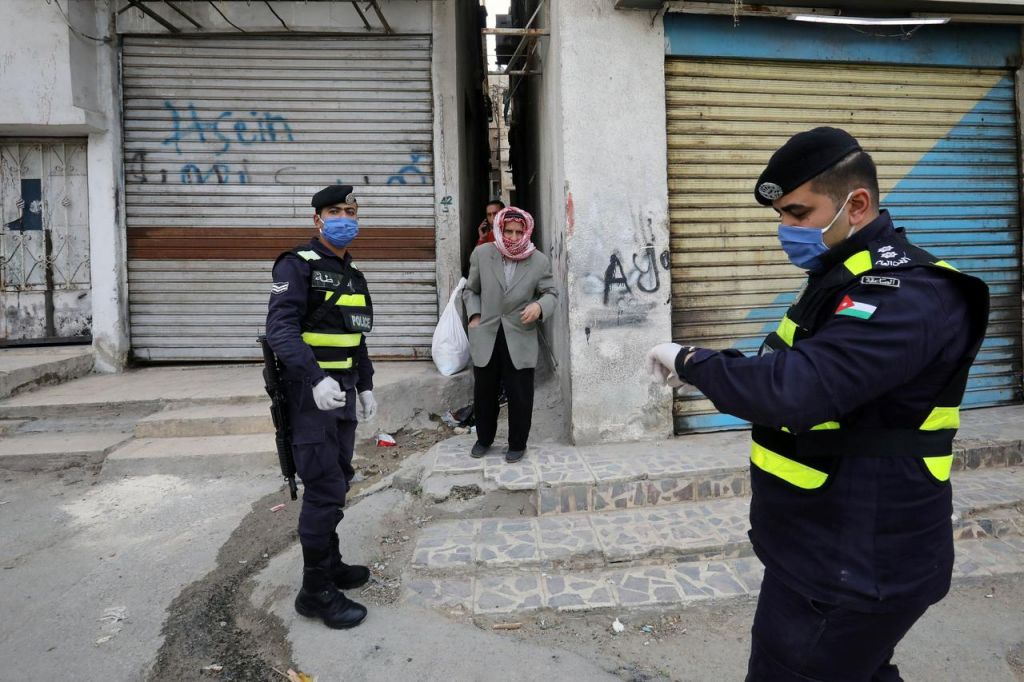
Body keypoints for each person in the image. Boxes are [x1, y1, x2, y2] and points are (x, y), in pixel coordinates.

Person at [646, 127, 989, 681]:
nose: (786, 230)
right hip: (824, 551)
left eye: (799, 213)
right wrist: (718, 368)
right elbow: (795, 366)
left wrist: (693, 363)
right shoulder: (843, 278)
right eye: (781, 215)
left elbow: (796, 390)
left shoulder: (908, 295)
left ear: (855, 204)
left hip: (854, 566)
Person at [265, 184, 379, 630]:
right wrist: (314, 379)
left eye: (350, 210)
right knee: (323, 484)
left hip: (343, 393)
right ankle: (313, 593)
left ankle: (329, 565)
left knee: (339, 478)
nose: (344, 217)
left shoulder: (352, 273)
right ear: (317, 220)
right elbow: (280, 330)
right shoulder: (297, 264)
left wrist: (365, 386)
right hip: (309, 397)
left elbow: (357, 337)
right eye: (335, 211)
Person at [464, 206, 557, 463]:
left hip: (520, 334)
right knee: (485, 391)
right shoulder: (482, 254)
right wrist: (474, 315)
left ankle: (517, 443)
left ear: (526, 231)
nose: (514, 238)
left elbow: (551, 294)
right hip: (486, 332)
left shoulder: (538, 261)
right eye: (508, 231)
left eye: (519, 232)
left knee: (520, 393)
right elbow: (470, 290)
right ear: (500, 229)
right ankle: (484, 439)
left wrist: (539, 307)